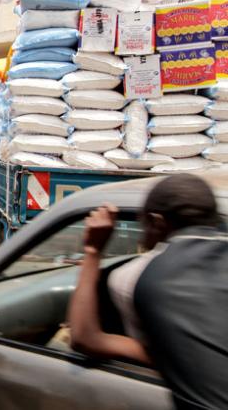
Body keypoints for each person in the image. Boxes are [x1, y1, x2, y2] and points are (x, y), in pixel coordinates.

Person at [68, 173, 228, 410]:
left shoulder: (142, 276)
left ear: (157, 222)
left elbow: (84, 338)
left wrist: (92, 250)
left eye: (144, 226)